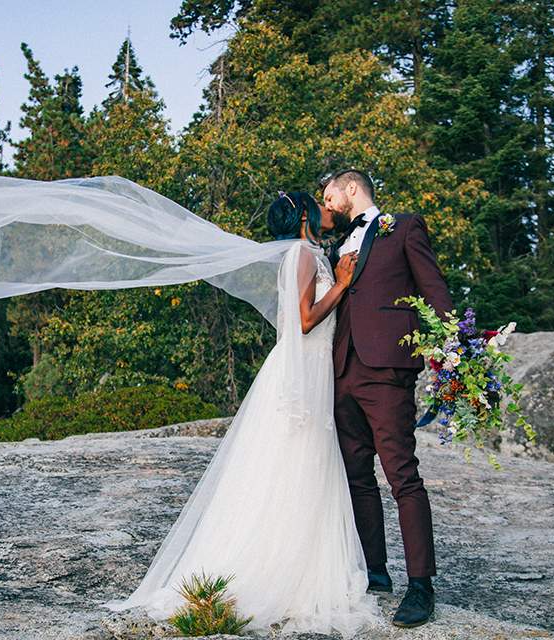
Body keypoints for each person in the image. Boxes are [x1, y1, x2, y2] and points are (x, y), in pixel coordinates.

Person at [106, 192, 379, 637]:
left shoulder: (308, 252)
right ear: (307, 215)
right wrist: (343, 284)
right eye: (323, 205)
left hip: (311, 369)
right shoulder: (301, 253)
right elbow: (305, 320)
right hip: (302, 369)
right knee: (298, 461)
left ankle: (300, 560)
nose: (331, 211)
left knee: (302, 464)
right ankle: (281, 570)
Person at [320, 169, 455, 628]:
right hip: (341, 370)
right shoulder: (333, 244)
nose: (328, 203)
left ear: (351, 189)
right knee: (356, 474)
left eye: (330, 194)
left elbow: (434, 290)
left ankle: (421, 586)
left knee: (402, 474)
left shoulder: (405, 228)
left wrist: (455, 351)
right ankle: (375, 573)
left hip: (388, 370)